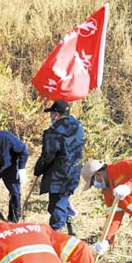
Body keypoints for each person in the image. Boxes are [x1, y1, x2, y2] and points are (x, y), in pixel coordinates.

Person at [33, 100, 85, 235]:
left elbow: (48, 155)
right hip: (74, 169)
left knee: (56, 204)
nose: (50, 117)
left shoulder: (54, 132)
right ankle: (70, 218)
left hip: (58, 173)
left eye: (51, 114)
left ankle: (57, 232)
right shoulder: (78, 126)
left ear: (56, 114)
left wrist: (39, 169)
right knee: (63, 196)